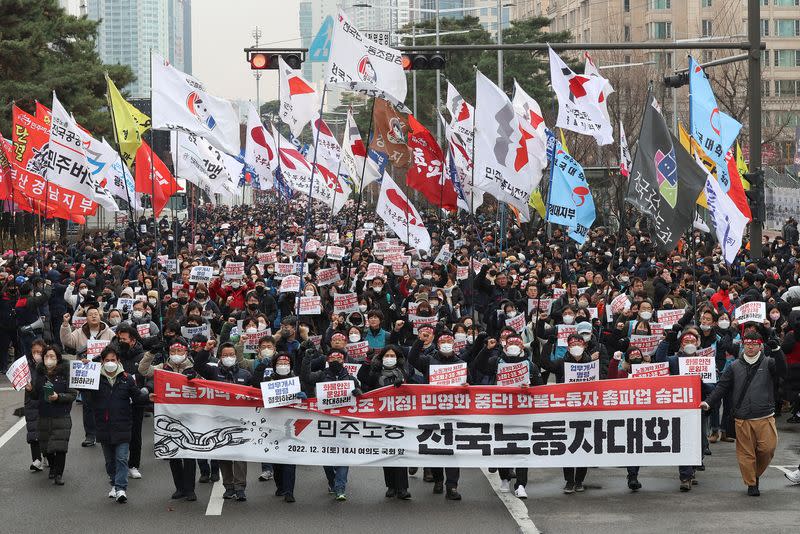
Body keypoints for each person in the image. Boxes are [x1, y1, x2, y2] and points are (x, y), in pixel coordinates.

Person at [701, 331, 787, 496]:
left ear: (760, 346)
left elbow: (783, 371)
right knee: (746, 453)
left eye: (754, 344)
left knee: (767, 449)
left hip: (765, 416)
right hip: (742, 417)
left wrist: (777, 349)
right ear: (743, 345)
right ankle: (752, 483)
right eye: (747, 343)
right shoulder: (734, 366)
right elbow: (722, 387)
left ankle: (754, 473)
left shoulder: (769, 362)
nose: (750, 346)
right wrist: (708, 402)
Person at [82, 346, 148, 503]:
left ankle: (121, 488)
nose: (110, 363)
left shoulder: (127, 379)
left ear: (118, 361)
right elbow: (80, 387)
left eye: (113, 360)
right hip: (103, 427)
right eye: (107, 360)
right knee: (110, 461)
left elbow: (137, 397)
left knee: (121, 458)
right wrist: (84, 369)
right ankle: (114, 483)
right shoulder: (95, 378)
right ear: (102, 362)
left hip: (123, 426)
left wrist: (149, 396)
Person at [139, 337, 200, 501]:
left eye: (179, 351)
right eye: (173, 351)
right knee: (173, 452)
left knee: (189, 453)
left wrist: (196, 377)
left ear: (186, 352)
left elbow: (205, 385)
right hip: (169, 416)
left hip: (189, 416)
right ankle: (179, 487)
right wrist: (151, 353)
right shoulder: (163, 368)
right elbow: (143, 370)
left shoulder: (194, 367)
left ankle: (190, 489)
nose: (176, 354)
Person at [194, 342, 252, 501]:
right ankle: (229, 487)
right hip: (219, 421)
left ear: (236, 356)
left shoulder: (245, 374)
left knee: (240, 455)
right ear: (220, 357)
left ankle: (240, 488)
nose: (228, 358)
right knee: (224, 454)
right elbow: (198, 365)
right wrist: (206, 350)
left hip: (240, 421)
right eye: (225, 355)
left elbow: (255, 393)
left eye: (231, 355)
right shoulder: (213, 372)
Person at [304, 349, 362, 501]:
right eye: (332, 357)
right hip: (324, 422)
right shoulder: (322, 375)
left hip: (344, 423)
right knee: (326, 455)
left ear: (344, 359)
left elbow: (362, 395)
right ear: (327, 360)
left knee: (343, 456)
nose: (336, 359)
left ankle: (340, 486)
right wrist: (307, 359)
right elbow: (306, 377)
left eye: (339, 357)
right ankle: (332, 480)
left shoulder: (350, 378)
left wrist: (358, 392)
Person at [251, 351, 306, 502]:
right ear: (274, 366)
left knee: (289, 459)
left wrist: (304, 397)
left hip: (291, 426)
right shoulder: (268, 380)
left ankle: (289, 491)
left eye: (286, 363)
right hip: (273, 425)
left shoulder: (297, 381)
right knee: (277, 461)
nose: (283, 366)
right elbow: (255, 385)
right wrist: (261, 366)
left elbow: (309, 395)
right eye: (280, 363)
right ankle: (280, 486)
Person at [358, 345, 411, 500]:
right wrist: (368, 361)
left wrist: (404, 383)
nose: (389, 358)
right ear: (381, 358)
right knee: (387, 453)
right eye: (386, 355)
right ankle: (391, 486)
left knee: (400, 453)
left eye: (392, 355)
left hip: (401, 418)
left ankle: (402, 488)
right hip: (382, 419)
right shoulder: (375, 373)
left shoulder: (404, 372)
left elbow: (417, 386)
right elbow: (363, 377)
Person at [27, 345, 76, 486]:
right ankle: (53, 466)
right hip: (44, 416)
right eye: (47, 356)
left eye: (52, 356)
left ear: (58, 359)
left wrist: (58, 397)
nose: (49, 359)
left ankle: (59, 474)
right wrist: (30, 390)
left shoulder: (65, 373)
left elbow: (73, 394)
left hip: (61, 415)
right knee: (46, 448)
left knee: (60, 447)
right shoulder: (40, 374)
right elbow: (36, 395)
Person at [24, 339, 47, 472]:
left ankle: (47, 456)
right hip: (30, 402)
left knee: (45, 431)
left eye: (39, 351)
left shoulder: (49, 365)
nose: (37, 354)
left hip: (44, 402)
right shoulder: (26, 366)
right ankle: (36, 459)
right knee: (32, 431)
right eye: (34, 352)